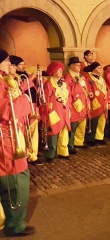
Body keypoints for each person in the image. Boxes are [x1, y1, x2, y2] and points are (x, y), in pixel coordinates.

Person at [0, 48, 35, 237]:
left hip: (8, 136)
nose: (10, 65)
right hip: (5, 140)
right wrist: (24, 99)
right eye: (6, 60)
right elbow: (7, 110)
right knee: (16, 181)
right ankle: (15, 225)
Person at [40, 61, 71, 162]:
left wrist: (69, 106)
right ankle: (50, 154)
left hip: (64, 109)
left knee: (64, 131)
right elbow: (46, 98)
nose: (61, 72)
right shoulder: (49, 83)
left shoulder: (64, 83)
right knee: (53, 131)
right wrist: (47, 111)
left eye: (61, 70)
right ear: (53, 71)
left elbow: (69, 95)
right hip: (54, 110)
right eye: (59, 70)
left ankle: (63, 151)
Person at [64, 56, 91, 152]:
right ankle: (70, 145)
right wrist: (78, 84)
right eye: (77, 65)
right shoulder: (67, 77)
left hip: (83, 102)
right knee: (73, 126)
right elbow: (70, 90)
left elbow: (85, 87)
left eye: (80, 65)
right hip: (74, 104)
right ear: (71, 66)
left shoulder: (81, 76)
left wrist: (88, 92)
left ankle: (79, 142)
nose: (79, 67)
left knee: (82, 124)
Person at [83, 62, 110, 146]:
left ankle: (99, 137)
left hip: (104, 103)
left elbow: (108, 90)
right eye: (99, 68)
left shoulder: (101, 79)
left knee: (102, 121)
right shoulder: (88, 79)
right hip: (95, 103)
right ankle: (90, 138)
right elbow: (88, 90)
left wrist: (109, 101)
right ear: (94, 69)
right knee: (93, 122)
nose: (101, 69)